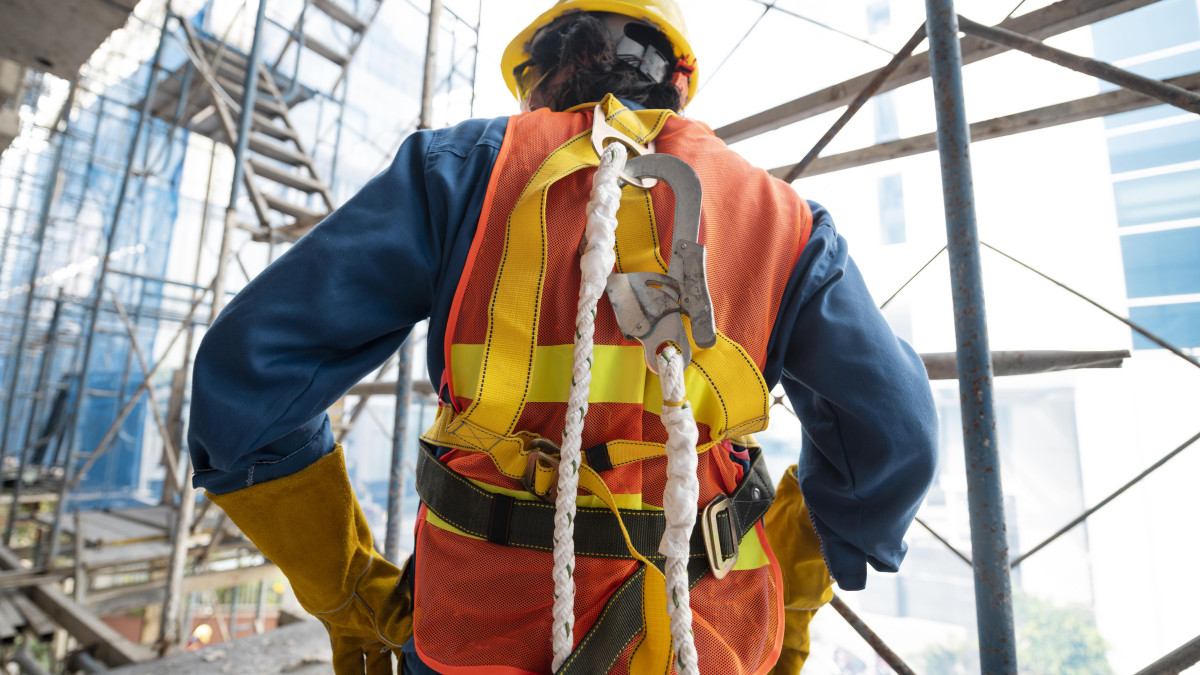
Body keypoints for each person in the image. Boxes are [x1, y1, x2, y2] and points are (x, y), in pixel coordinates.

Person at [187, 1, 938, 673]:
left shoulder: (459, 175)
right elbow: (894, 432)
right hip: (712, 639)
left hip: (474, 636)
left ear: (539, 78)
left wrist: (346, 586)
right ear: (676, 81)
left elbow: (247, 375)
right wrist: (800, 582)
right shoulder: (780, 218)